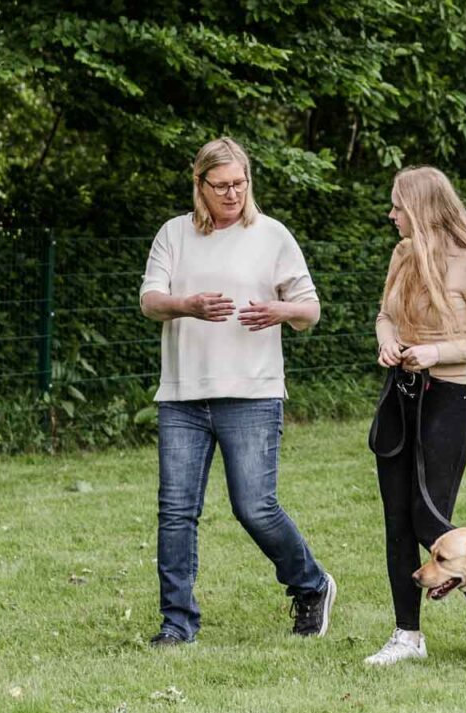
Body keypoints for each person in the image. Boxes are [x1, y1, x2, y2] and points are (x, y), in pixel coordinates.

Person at [138, 137, 336, 646]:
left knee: (255, 507)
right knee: (176, 511)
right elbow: (150, 300)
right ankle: (177, 624)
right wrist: (187, 305)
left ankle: (311, 585)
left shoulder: (271, 235)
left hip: (252, 393)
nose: (232, 194)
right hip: (182, 395)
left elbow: (310, 310)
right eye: (221, 185)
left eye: (240, 184)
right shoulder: (174, 234)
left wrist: (281, 311)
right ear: (199, 184)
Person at [364, 166, 466, 666]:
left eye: (398, 207)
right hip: (400, 394)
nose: (391, 215)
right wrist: (389, 342)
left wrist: (436, 352)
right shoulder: (403, 255)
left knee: (430, 519)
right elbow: (386, 314)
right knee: (396, 521)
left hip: (448, 399)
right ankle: (408, 636)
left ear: (422, 211)